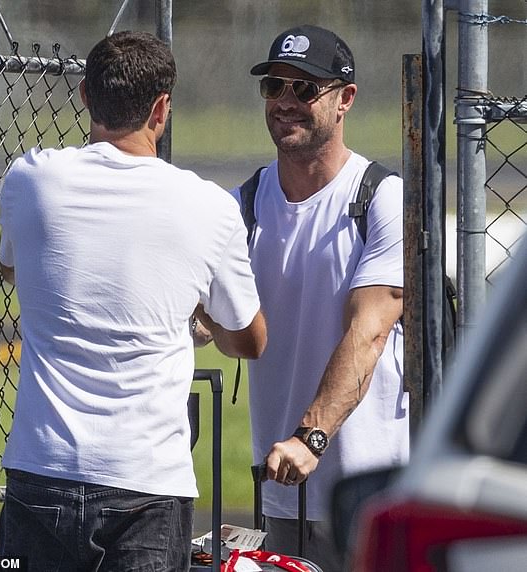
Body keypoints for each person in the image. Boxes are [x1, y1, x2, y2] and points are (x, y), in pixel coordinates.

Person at [0, 30, 266, 572]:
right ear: (161, 108)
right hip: (147, 480)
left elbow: (10, 265)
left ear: (85, 97)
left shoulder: (30, 179)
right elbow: (249, 340)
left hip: (42, 464)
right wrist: (198, 312)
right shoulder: (207, 206)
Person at [233, 25, 408, 571]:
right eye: (274, 86)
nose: (286, 102)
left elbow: (370, 330)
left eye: (304, 89)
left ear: (344, 100)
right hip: (282, 491)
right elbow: (209, 320)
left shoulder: (380, 198)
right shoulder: (245, 204)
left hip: (367, 495)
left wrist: (311, 437)